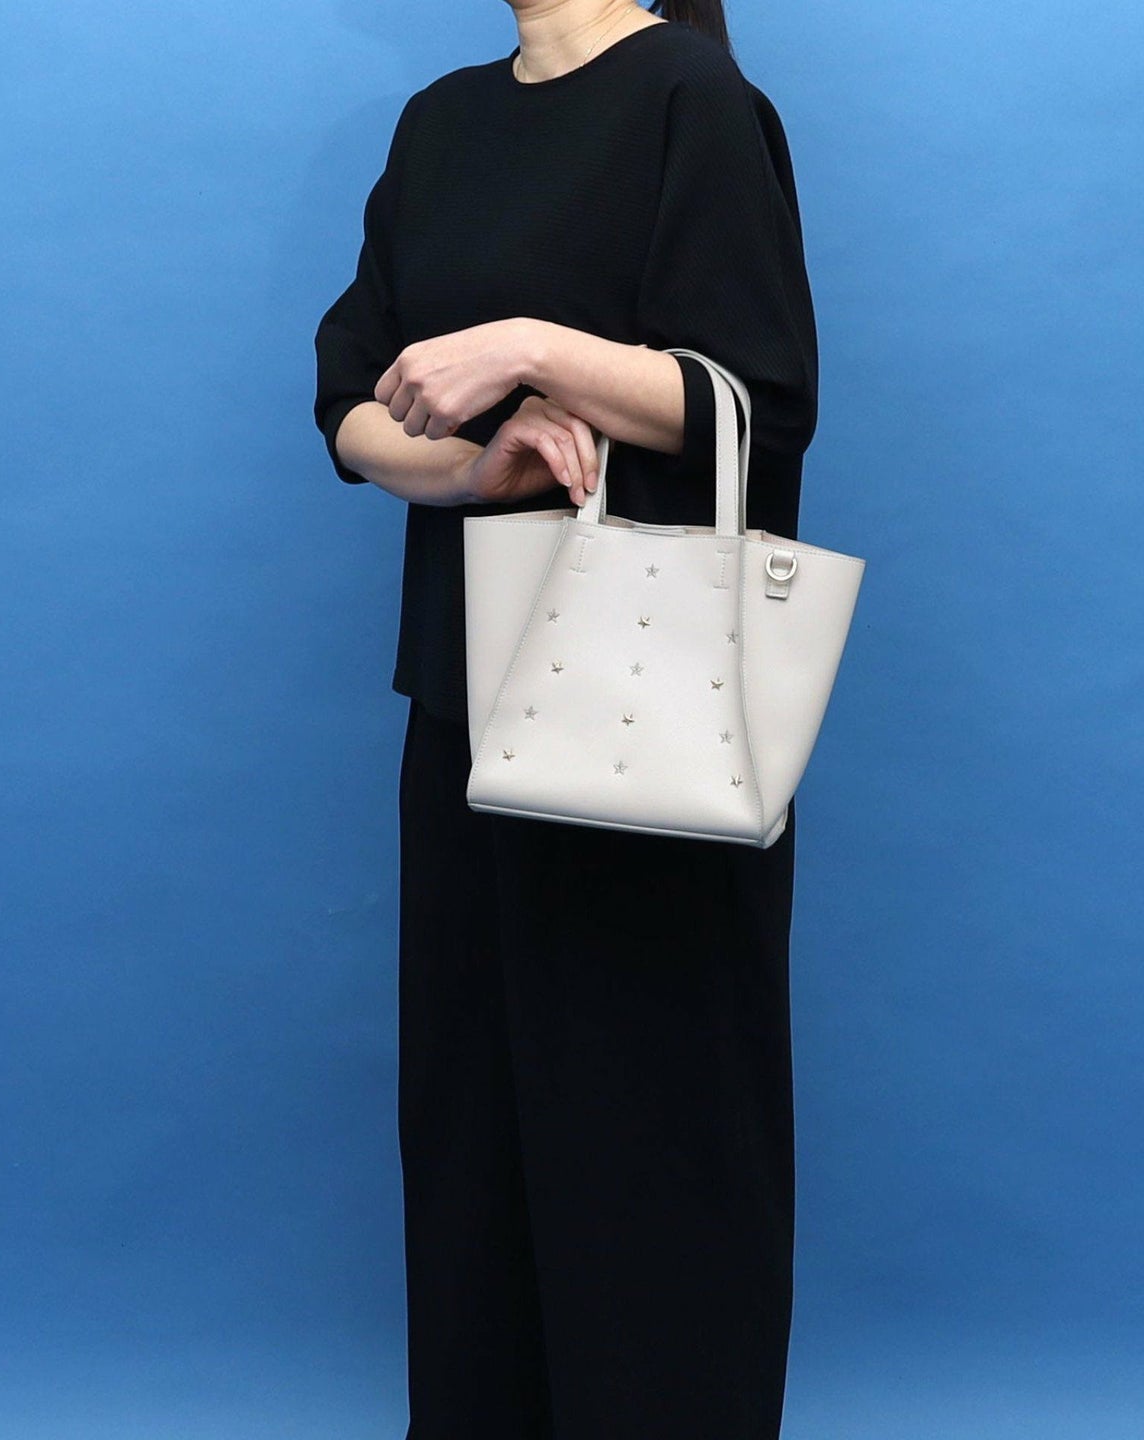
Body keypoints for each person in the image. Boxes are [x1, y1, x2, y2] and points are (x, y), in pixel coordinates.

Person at [313, 2, 819, 1435]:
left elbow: (761, 400)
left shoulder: (692, 100)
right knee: (472, 1158)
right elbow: (348, 401)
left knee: (655, 1159)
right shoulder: (440, 122)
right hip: (464, 709)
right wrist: (475, 466)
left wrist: (527, 347)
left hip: (646, 717)